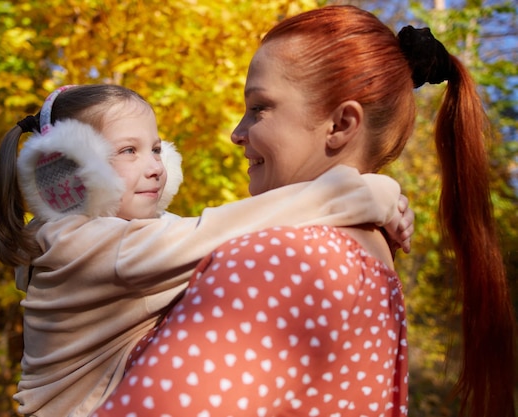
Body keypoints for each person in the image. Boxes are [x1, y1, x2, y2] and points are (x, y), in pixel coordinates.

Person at [91, 5, 515, 417]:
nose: (236, 133)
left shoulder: (281, 262)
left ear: (342, 125)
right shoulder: (369, 269)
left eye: (259, 107)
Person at [0, 84, 413, 416]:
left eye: (156, 149)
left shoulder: (127, 237)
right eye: (128, 151)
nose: (155, 166)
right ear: (65, 170)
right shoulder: (81, 244)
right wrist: (356, 193)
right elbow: (218, 232)